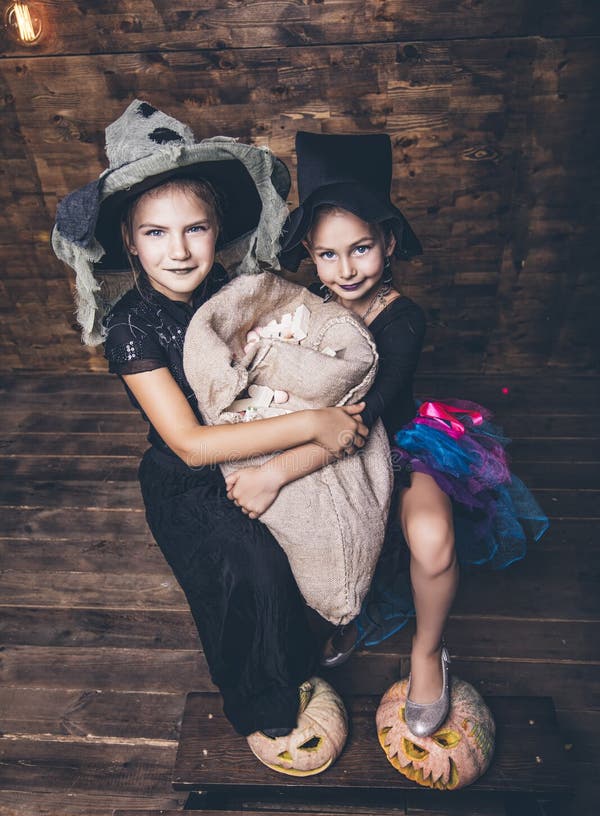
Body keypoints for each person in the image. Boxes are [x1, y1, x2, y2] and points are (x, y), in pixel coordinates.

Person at [51, 102, 368, 744]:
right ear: (129, 244)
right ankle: (263, 706)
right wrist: (316, 426)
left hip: (254, 441)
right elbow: (192, 444)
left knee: (323, 520)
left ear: (217, 230)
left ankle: (310, 647)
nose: (179, 250)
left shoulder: (230, 287)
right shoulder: (132, 328)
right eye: (156, 234)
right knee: (249, 568)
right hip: (188, 480)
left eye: (194, 230)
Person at [227, 131, 548, 738]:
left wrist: (273, 472)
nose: (346, 270)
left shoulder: (404, 319)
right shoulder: (299, 306)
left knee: (431, 538)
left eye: (362, 248)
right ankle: (334, 608)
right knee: (289, 532)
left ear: (390, 242)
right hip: (311, 444)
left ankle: (428, 651)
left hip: (393, 443)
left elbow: (359, 421)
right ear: (311, 256)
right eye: (327, 255)